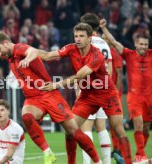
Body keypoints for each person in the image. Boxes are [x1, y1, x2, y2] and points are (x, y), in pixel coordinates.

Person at [0, 32, 101, 164]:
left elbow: (31, 51)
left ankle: (97, 161)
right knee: (26, 116)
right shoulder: (8, 55)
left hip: (49, 94)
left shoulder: (19, 48)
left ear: (6, 43)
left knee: (74, 132)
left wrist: (28, 59)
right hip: (33, 98)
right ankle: (47, 152)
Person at [20, 22, 132, 164]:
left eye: (81, 36)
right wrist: (29, 51)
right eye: (76, 36)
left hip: (107, 94)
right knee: (70, 130)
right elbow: (48, 55)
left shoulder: (96, 55)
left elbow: (80, 76)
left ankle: (128, 161)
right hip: (87, 96)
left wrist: (56, 85)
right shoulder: (71, 48)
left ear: (89, 38)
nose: (78, 39)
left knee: (118, 129)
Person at [100, 18, 151, 162]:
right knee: (139, 123)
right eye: (141, 44)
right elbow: (114, 42)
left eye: (145, 44)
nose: (143, 47)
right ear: (136, 44)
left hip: (149, 97)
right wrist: (104, 28)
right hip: (134, 96)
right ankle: (140, 154)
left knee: (146, 128)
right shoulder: (129, 54)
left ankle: (141, 153)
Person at [79, 13, 112, 164]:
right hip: (104, 89)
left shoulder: (87, 44)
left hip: (89, 90)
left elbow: (82, 69)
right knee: (101, 127)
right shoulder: (105, 44)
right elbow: (109, 69)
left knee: (86, 129)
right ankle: (106, 162)